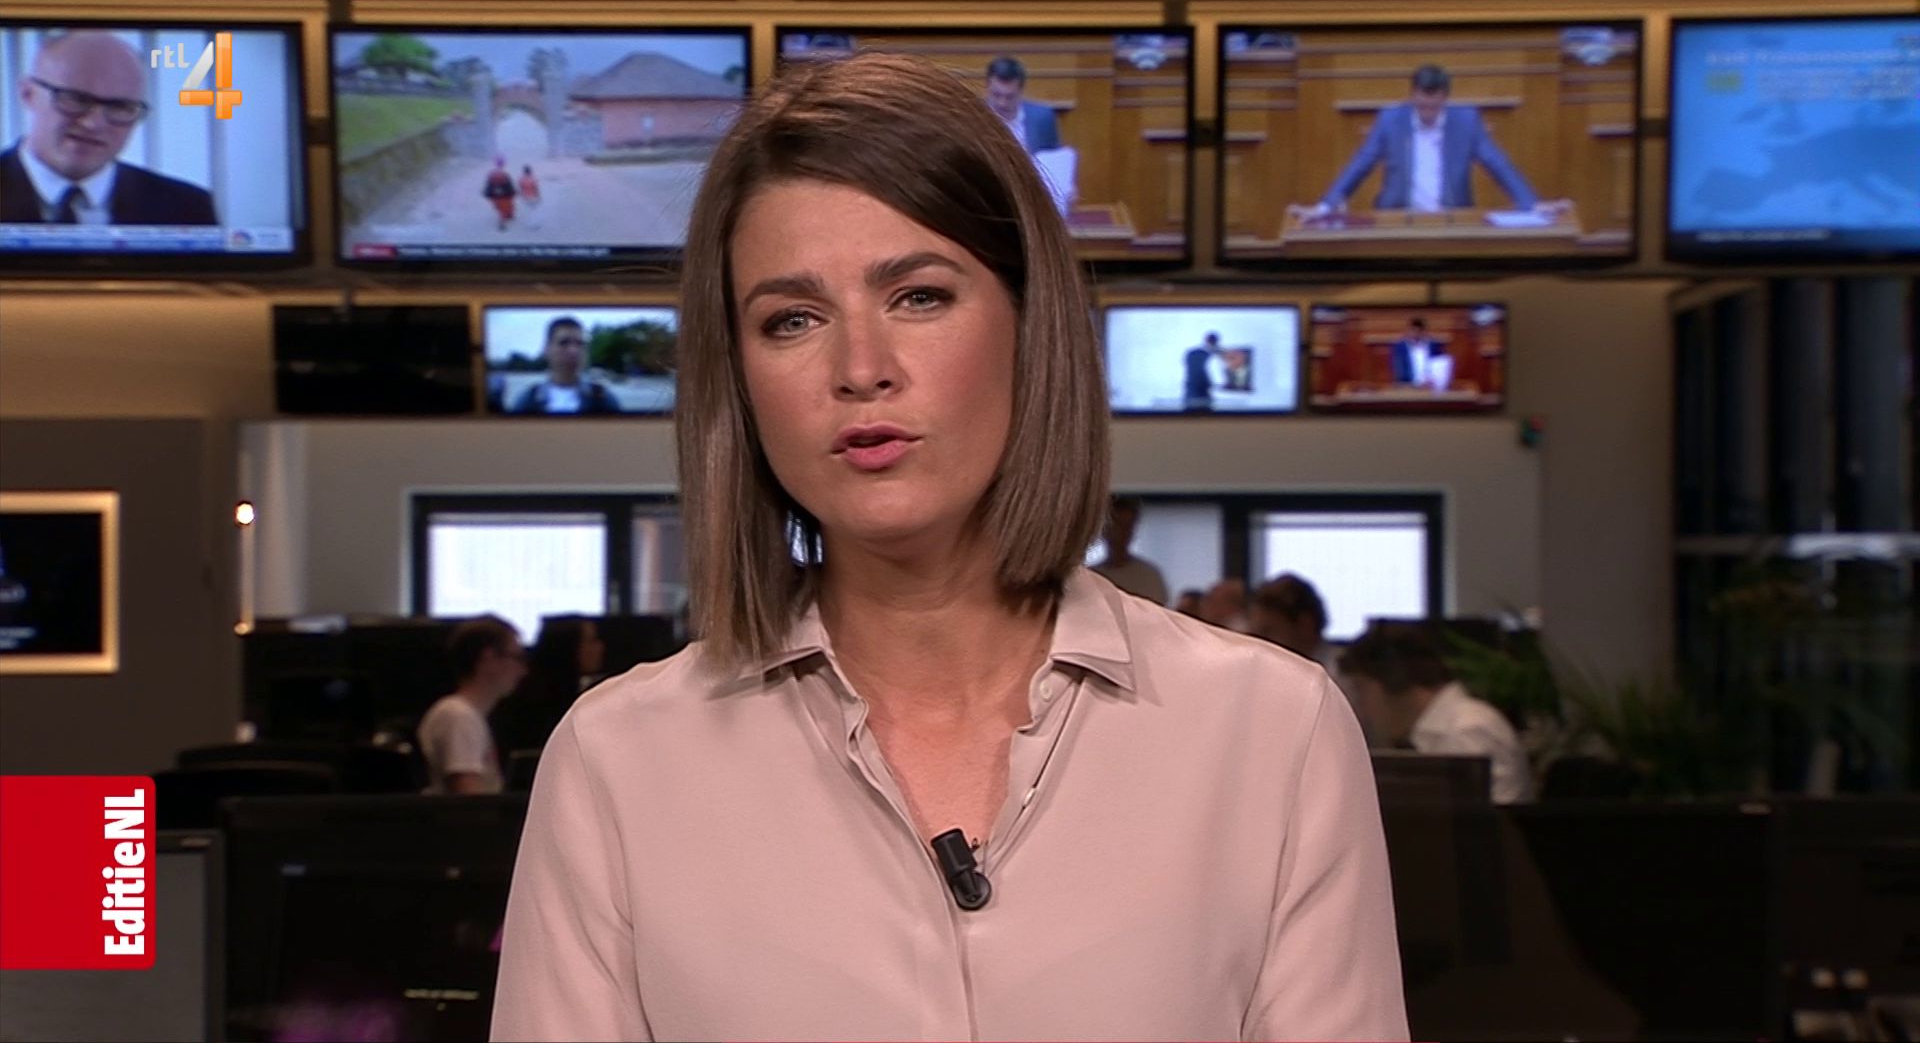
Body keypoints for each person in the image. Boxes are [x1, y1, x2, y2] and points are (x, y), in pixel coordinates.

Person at [492, 52, 1406, 1042]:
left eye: (919, 296)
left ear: (1029, 324)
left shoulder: (1271, 733)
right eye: (792, 319)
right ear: (741, 379)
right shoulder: (618, 762)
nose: (861, 368)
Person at [0, 30, 217, 226]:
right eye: (76, 99)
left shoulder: (188, 207)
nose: (93, 124)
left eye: (119, 107)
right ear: (28, 94)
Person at [1339, 623, 1535, 805]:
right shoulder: (1450, 728)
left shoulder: (1467, 730)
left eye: (1360, 690)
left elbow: (1475, 823)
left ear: (1394, 681)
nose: (1360, 708)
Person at [1313, 64, 1544, 216]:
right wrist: (1326, 206)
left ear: (1445, 98)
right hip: (1397, 219)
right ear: (1413, 95)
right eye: (1422, 106)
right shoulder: (1391, 120)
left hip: (1452, 220)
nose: (1427, 112)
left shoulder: (1466, 120)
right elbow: (1361, 163)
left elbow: (1497, 163)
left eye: (1434, 107)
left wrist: (1530, 205)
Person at [418, 615, 526, 796]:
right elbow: (469, 800)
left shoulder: (465, 715)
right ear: (488, 658)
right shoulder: (459, 717)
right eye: (516, 658)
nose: (522, 671)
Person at [1248, 574, 1367, 735]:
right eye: (1253, 635)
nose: (1259, 645)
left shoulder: (1343, 677)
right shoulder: (1257, 678)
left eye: (1268, 633)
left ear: (1305, 625)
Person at [489, 615, 607, 760]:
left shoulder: (572, 693)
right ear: (569, 647)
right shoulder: (534, 702)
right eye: (591, 641)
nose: (600, 647)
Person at [508, 316, 623, 415]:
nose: (574, 351)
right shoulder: (528, 401)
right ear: (546, 349)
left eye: (580, 344)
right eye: (564, 343)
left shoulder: (603, 400)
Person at [1090, 495, 1169, 605]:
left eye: (1126, 527)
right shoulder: (1090, 578)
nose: (1120, 533)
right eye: (1116, 526)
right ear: (1103, 529)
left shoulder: (1149, 577)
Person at [982, 56, 1061, 154]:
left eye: (1010, 97)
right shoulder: (974, 117)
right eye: (996, 95)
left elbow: (1053, 158)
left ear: (1021, 91)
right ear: (987, 87)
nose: (1002, 103)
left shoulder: (1043, 117)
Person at [1391, 317, 1446, 386]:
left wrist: (1432, 380)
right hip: (1408, 385)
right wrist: (1411, 383)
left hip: (1430, 385)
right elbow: (1399, 370)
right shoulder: (1401, 347)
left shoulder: (1433, 346)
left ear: (1423, 332)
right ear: (1408, 331)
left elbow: (1439, 366)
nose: (1415, 334)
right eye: (1413, 331)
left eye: (1418, 331)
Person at [1184, 331, 1222, 411]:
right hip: (1196, 397)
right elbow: (1198, 375)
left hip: (1198, 396)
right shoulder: (1197, 354)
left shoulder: (1195, 353)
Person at [483, 156, 516, 231]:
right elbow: (509, 185)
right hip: (504, 195)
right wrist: (513, 193)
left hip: (494, 195)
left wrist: (488, 194)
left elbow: (488, 185)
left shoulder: (491, 174)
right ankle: (503, 222)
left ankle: (507, 216)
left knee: (500, 208)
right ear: (503, 164)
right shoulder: (505, 174)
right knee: (506, 207)